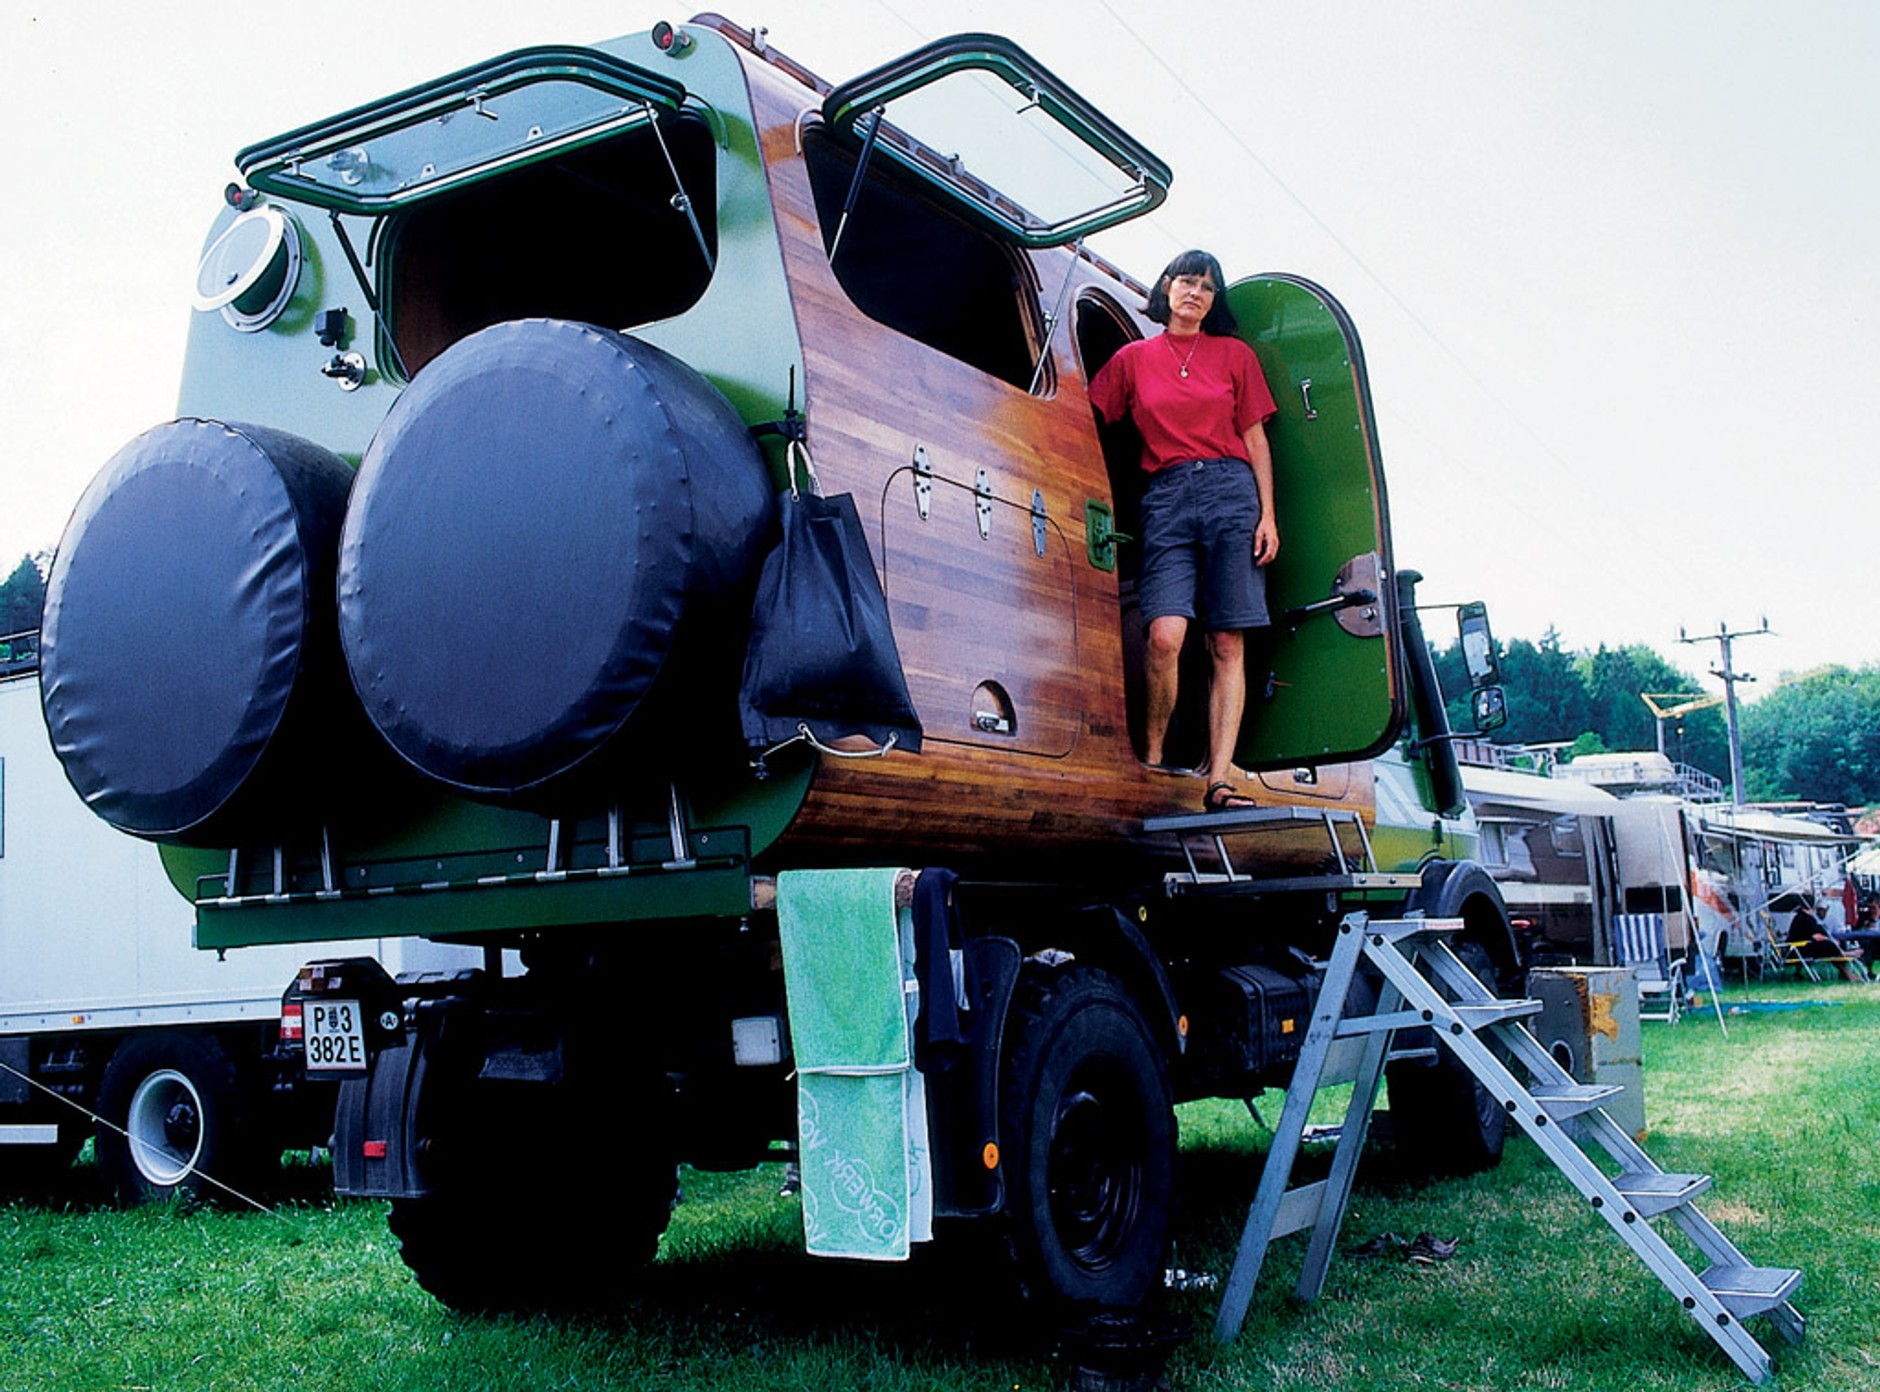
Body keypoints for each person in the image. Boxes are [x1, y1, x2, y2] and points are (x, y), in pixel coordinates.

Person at [1088, 250, 1278, 812]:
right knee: (1165, 634)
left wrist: (1267, 515)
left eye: (1206, 287)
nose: (1194, 293)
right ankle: (1150, 755)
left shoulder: (1234, 356)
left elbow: (1255, 441)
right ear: (1166, 287)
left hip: (1231, 492)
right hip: (1166, 494)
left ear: (1213, 302)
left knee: (1226, 640)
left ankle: (1219, 780)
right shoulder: (1132, 359)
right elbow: (1088, 413)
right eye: (1186, 282)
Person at [1785, 897, 1867, 983]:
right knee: (1828, 946)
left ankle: (1849, 974)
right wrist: (1830, 940)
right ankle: (1846, 955)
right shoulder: (1805, 919)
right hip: (1799, 950)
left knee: (1831, 949)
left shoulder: (1803, 917)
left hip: (1802, 948)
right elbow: (1815, 936)